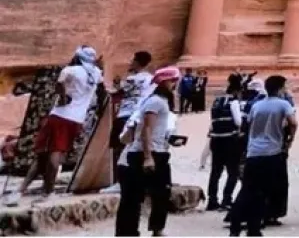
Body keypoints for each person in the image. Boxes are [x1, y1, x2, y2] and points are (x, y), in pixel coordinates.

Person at [10, 46, 102, 204]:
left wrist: (63, 97)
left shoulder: (71, 70)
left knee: (49, 155)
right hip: (77, 120)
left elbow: (59, 83)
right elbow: (100, 82)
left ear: (78, 57)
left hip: (60, 116)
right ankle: (26, 189)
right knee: (49, 154)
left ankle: (46, 191)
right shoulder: (96, 73)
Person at [115, 65, 179, 237]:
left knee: (159, 193)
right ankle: (129, 232)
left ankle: (151, 228)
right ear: (165, 81)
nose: (175, 84)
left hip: (155, 150)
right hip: (148, 153)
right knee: (138, 196)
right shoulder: (155, 102)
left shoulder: (159, 102)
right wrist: (148, 156)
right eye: (173, 80)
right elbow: (147, 129)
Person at [228, 75, 296, 237]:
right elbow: (293, 123)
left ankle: (237, 224)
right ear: (280, 89)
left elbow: (247, 124)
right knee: (263, 191)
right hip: (271, 152)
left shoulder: (256, 105)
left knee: (248, 190)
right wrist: (289, 141)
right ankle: (254, 228)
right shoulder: (283, 104)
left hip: (253, 152)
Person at [111, 51, 153, 187]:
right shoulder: (151, 79)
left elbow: (119, 90)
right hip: (139, 115)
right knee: (135, 148)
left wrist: (117, 82)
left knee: (118, 148)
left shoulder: (130, 79)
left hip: (125, 113)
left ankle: (119, 181)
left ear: (136, 62)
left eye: (133, 60)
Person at [207, 75, 244, 211]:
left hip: (216, 139)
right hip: (230, 140)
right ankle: (226, 200)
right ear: (237, 91)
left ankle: (212, 200)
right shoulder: (233, 102)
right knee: (232, 172)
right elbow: (238, 121)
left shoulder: (217, 101)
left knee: (215, 172)